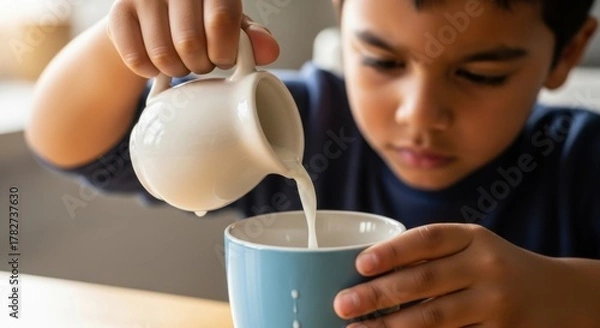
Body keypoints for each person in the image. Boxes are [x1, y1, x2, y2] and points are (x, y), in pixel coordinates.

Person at [26, 0, 600, 326]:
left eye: (481, 75)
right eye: (380, 60)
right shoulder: (302, 125)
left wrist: (568, 294)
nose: (419, 115)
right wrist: (123, 36)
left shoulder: (581, 161)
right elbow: (73, 145)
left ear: (567, 54)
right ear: (341, 15)